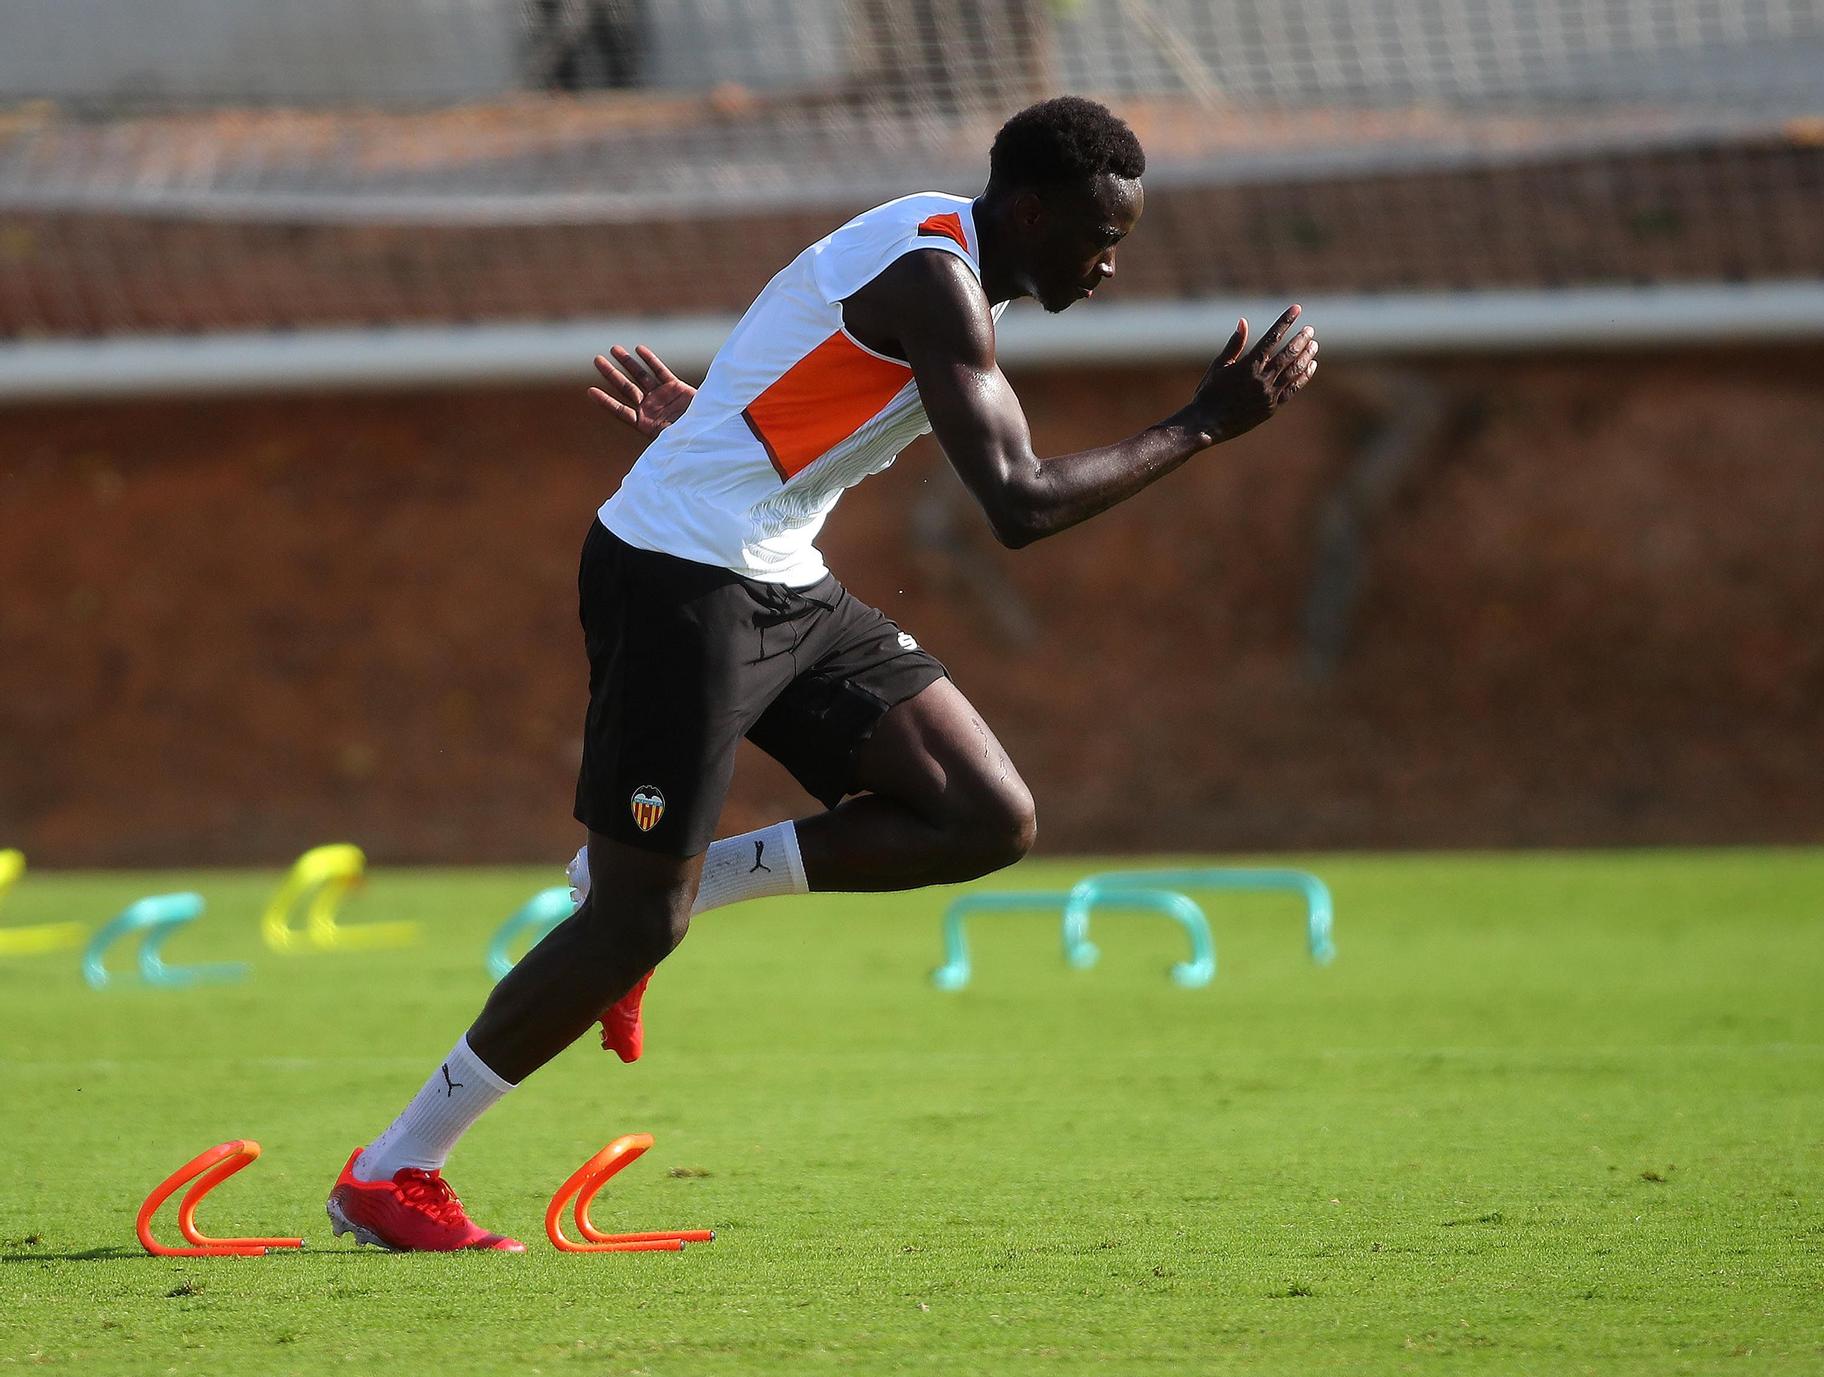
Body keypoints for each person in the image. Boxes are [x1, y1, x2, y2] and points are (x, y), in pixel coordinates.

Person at [327, 95, 1318, 1252]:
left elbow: (797, 359)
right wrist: (1205, 422)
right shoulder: (935, 279)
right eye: (1100, 240)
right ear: (1032, 209)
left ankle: (661, 886)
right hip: (678, 579)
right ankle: (393, 1171)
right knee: (641, 923)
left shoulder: (944, 253)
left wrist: (718, 428)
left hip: (775, 573)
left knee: (980, 816)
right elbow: (1018, 503)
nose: (1107, 268)